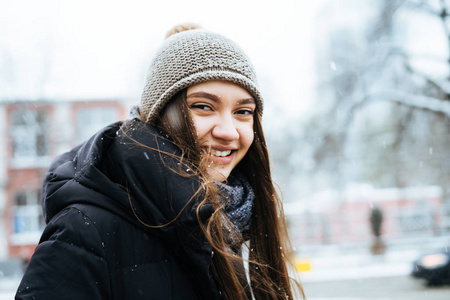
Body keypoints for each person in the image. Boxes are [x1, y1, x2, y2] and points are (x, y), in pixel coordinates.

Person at [15, 24, 303, 300]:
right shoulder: (84, 231)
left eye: (243, 111)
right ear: (160, 116)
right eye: (203, 106)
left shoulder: (222, 220)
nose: (228, 131)